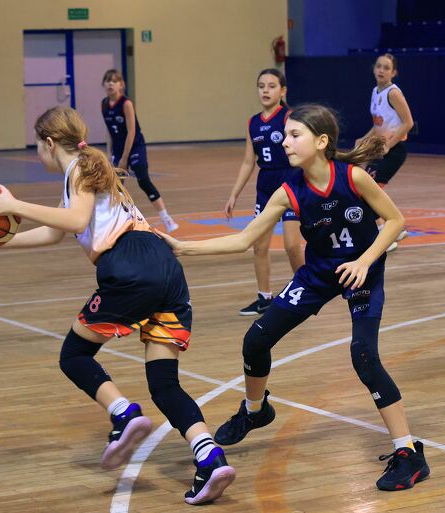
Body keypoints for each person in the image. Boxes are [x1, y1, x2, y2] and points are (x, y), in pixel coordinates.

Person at [0, 107, 234, 505]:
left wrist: (14, 206)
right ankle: (210, 458)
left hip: (130, 268)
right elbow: (55, 232)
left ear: (49, 143)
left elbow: (75, 220)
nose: (38, 152)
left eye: (38, 145)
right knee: (164, 384)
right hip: (165, 268)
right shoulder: (89, 169)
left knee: (74, 354)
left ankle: (123, 413)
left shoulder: (81, 169)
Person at [159, 104, 430, 491]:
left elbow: (396, 221)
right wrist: (183, 248)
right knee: (256, 340)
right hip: (318, 275)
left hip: (362, 272)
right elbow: (244, 239)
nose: (284, 142)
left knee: (364, 355)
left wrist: (365, 260)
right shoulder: (289, 192)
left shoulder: (352, 177)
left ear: (321, 142)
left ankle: (408, 453)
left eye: (294, 135)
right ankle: (255, 410)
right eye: (285, 135)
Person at [225, 69, 304, 316]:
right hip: (266, 186)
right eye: (261, 86)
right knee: (259, 246)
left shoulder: (289, 117)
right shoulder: (253, 122)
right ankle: (264, 297)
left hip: (290, 183)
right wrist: (234, 194)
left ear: (283, 91)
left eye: (271, 86)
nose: (265, 91)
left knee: (292, 245)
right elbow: (248, 162)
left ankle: (306, 291)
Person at [102, 69, 179, 232]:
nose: (110, 84)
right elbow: (109, 131)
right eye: (107, 81)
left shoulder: (126, 104)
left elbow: (131, 132)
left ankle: (166, 218)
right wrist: (110, 153)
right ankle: (117, 221)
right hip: (118, 149)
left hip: (135, 146)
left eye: (114, 81)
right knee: (116, 185)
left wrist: (124, 158)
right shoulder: (104, 104)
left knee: (143, 180)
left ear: (121, 85)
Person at [357, 53, 414, 251]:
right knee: (366, 189)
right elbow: (378, 125)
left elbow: (408, 122)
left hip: (394, 150)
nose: (381, 70)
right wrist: (363, 139)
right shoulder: (376, 91)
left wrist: (389, 145)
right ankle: (394, 230)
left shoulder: (393, 93)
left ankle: (384, 233)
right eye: (379, 66)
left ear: (393, 72)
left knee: (367, 191)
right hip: (380, 149)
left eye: (386, 68)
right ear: (374, 69)